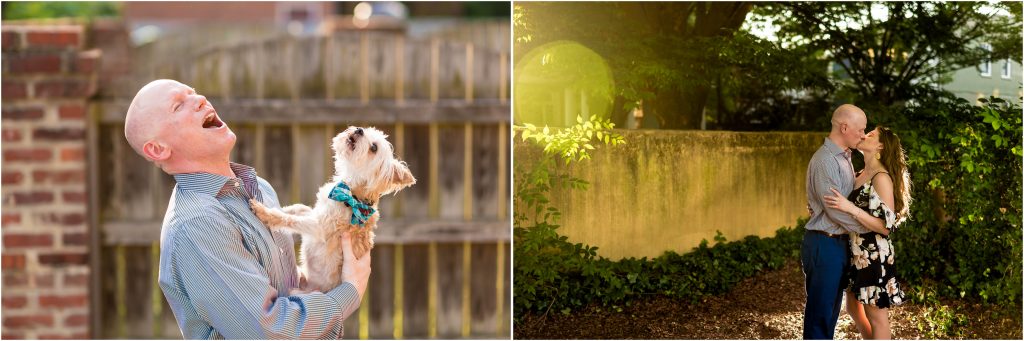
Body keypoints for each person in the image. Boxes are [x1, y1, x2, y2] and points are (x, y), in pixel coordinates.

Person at [124, 79, 371, 339]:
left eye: (193, 93)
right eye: (178, 105)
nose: (199, 100)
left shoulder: (259, 188)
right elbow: (269, 330)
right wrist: (349, 291)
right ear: (158, 149)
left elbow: (281, 285)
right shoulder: (197, 225)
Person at [824, 126, 910, 340]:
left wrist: (850, 208)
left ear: (880, 146)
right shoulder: (860, 174)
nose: (863, 135)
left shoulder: (881, 177)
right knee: (853, 308)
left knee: (877, 315)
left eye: (870, 135)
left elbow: (885, 226)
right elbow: (845, 210)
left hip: (874, 255)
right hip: (856, 252)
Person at [803, 104, 873, 339]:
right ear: (844, 127)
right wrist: (870, 227)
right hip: (825, 245)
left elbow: (844, 198)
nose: (864, 135)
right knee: (820, 316)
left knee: (831, 313)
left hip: (839, 243)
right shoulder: (825, 160)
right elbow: (837, 212)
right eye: (861, 130)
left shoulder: (845, 157)